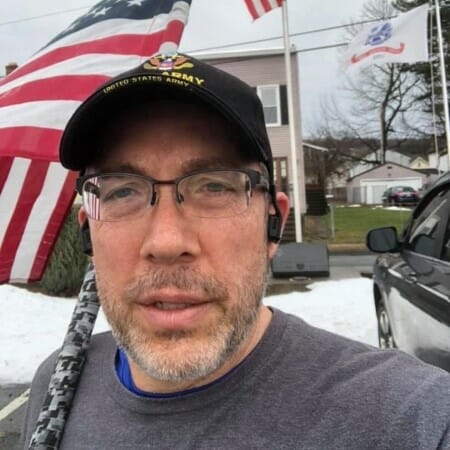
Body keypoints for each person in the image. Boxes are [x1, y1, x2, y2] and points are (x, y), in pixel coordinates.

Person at [21, 53, 450, 450]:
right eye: (122, 191)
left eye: (214, 186)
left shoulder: (408, 418)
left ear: (273, 225)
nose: (167, 243)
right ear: (87, 236)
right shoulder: (58, 384)